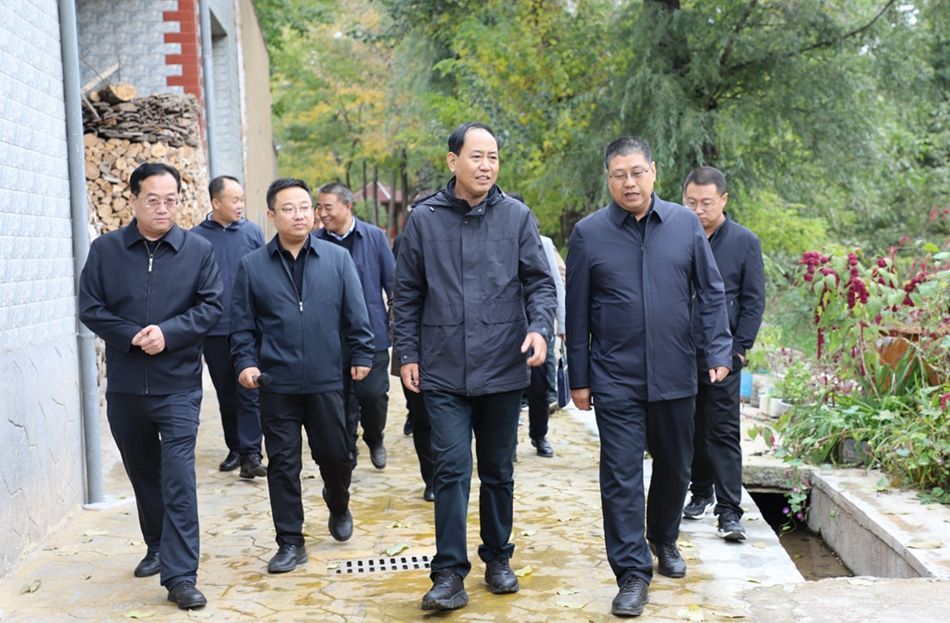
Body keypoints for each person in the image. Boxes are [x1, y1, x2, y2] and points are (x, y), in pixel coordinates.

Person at [565, 137, 733, 618]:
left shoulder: (683, 224)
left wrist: (718, 348)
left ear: (653, 172)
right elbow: (576, 312)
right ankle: (632, 574)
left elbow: (711, 290)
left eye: (637, 172)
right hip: (615, 377)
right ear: (609, 179)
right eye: (619, 175)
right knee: (620, 476)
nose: (629, 182)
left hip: (676, 372)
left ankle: (663, 537)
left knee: (676, 467)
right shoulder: (589, 233)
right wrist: (579, 378)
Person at [392, 122, 557, 611]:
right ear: (453, 161)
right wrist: (407, 354)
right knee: (451, 470)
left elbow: (540, 283)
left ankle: (498, 557)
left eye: (493, 157)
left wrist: (539, 328)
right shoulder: (424, 220)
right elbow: (407, 294)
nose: (486, 166)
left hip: (504, 364)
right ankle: (448, 573)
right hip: (442, 367)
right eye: (477, 156)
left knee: (498, 470)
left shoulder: (517, 217)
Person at [79, 162, 223, 610]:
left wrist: (169, 333)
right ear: (134, 199)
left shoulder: (198, 251)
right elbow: (90, 307)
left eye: (171, 200)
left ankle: (180, 576)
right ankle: (157, 544)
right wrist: (130, 336)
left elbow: (212, 306)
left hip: (178, 386)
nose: (163, 208)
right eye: (153, 200)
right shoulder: (106, 250)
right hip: (125, 388)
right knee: (144, 475)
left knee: (178, 478)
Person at [229, 178, 374, 574]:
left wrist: (362, 352)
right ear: (271, 215)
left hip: (328, 380)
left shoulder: (337, 259)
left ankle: (338, 501)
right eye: (288, 208)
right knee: (282, 463)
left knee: (336, 455)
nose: (299, 215)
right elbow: (241, 327)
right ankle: (290, 541)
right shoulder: (252, 266)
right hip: (277, 383)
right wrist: (246, 364)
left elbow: (356, 312)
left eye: (305, 207)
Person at [681, 166, 765, 541]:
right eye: (691, 203)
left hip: (724, 353)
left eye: (706, 203)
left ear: (723, 200)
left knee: (724, 431)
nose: (698, 210)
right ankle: (700, 491)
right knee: (689, 429)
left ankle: (729, 512)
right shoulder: (677, 235)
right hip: (681, 352)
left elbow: (753, 300)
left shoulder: (744, 242)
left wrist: (739, 350)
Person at [315, 182, 395, 470]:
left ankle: (375, 437)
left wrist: (395, 326)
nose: (322, 213)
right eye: (319, 207)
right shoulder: (315, 241)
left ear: (347, 206)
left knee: (373, 395)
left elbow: (393, 284)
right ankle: (347, 449)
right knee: (339, 400)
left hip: (371, 335)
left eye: (328, 207)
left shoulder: (374, 237)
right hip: (330, 339)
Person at [192, 175, 267, 479]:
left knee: (249, 390)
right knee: (226, 392)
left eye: (242, 199)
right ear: (215, 202)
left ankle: (252, 454)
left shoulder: (252, 232)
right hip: (214, 330)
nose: (240, 205)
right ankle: (235, 448)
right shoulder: (196, 238)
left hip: (248, 326)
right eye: (234, 200)